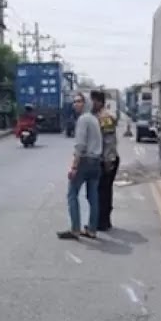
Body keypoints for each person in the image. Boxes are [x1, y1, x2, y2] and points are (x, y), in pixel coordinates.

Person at [57, 92, 103, 240]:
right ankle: (92, 230)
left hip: (85, 161)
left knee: (72, 194)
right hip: (96, 162)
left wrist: (74, 167)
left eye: (79, 101)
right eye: (74, 101)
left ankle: (75, 229)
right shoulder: (94, 119)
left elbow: (80, 145)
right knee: (93, 197)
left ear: (86, 103)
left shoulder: (83, 120)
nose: (75, 104)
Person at [97, 108, 119, 231]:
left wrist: (108, 160)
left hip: (107, 160)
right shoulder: (98, 116)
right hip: (105, 159)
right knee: (103, 191)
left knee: (103, 192)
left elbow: (109, 141)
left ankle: (103, 222)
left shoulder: (105, 118)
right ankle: (104, 221)